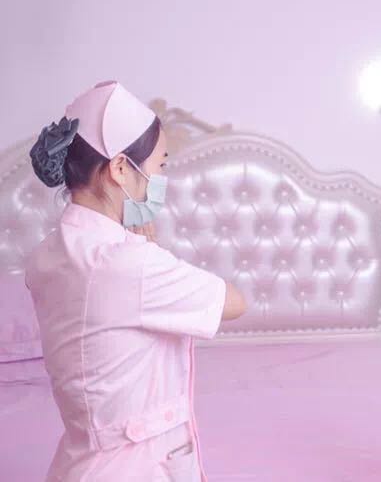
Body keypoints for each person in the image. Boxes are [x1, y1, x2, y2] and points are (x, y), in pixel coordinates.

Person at [25, 81, 247, 481]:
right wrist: (148, 250)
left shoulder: (47, 255)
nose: (160, 178)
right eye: (160, 166)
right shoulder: (130, 264)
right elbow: (234, 302)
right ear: (121, 169)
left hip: (77, 463)